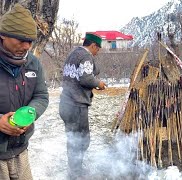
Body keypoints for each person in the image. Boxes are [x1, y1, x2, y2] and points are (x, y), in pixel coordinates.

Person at [0, 4, 49, 180]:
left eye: (30, 41)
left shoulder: (33, 64)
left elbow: (41, 96)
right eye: (21, 40)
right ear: (3, 34)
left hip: (21, 150)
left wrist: (31, 113)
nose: (27, 46)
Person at [59, 33, 106, 179]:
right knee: (81, 139)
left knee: (72, 138)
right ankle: (76, 173)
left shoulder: (74, 53)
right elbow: (86, 78)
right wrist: (98, 83)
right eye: (97, 49)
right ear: (93, 45)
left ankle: (73, 170)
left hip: (66, 103)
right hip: (77, 105)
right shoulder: (86, 56)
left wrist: (94, 71)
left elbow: (83, 73)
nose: (97, 53)